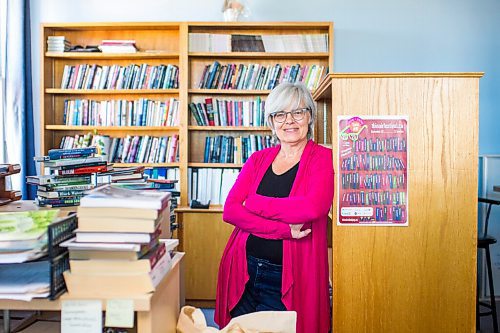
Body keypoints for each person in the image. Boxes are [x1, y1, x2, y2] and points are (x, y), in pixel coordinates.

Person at [215, 82, 334, 333]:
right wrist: (283, 230)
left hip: (289, 276)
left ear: (310, 117)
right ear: (271, 121)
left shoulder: (323, 158)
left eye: (298, 112)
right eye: (280, 114)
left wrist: (255, 203)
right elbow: (231, 210)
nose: (289, 121)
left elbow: (313, 208)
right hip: (243, 267)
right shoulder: (258, 159)